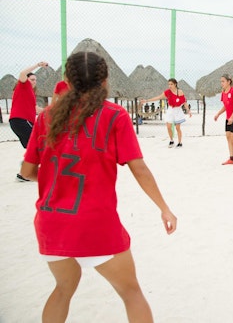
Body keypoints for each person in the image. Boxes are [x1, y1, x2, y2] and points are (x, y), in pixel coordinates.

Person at [19, 51, 178, 323]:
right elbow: (139, 169)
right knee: (131, 293)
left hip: (51, 222)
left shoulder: (47, 116)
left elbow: (28, 172)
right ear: (104, 80)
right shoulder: (115, 116)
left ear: (67, 79)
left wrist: (57, 181)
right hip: (94, 223)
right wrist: (164, 208)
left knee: (63, 290)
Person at [9, 61, 47, 182]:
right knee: (38, 144)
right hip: (20, 121)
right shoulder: (22, 85)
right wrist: (38, 65)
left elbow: (36, 109)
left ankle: (23, 173)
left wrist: (52, 111)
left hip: (20, 122)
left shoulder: (29, 92)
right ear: (26, 79)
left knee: (33, 146)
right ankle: (25, 172)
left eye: (35, 80)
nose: (34, 81)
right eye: (32, 79)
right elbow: (22, 73)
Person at [141, 78, 192, 148]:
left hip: (178, 110)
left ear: (175, 84)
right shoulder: (167, 92)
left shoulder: (180, 92)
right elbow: (158, 97)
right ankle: (171, 140)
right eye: (169, 84)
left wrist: (188, 110)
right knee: (168, 127)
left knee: (177, 128)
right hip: (170, 109)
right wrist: (147, 100)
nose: (170, 86)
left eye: (171, 84)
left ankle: (180, 142)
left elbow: (184, 102)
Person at [214, 74, 233, 166]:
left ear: (229, 81)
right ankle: (231, 158)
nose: (221, 83)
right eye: (221, 81)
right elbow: (226, 106)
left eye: (223, 81)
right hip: (229, 119)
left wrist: (232, 117)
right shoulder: (223, 93)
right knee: (228, 137)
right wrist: (218, 114)